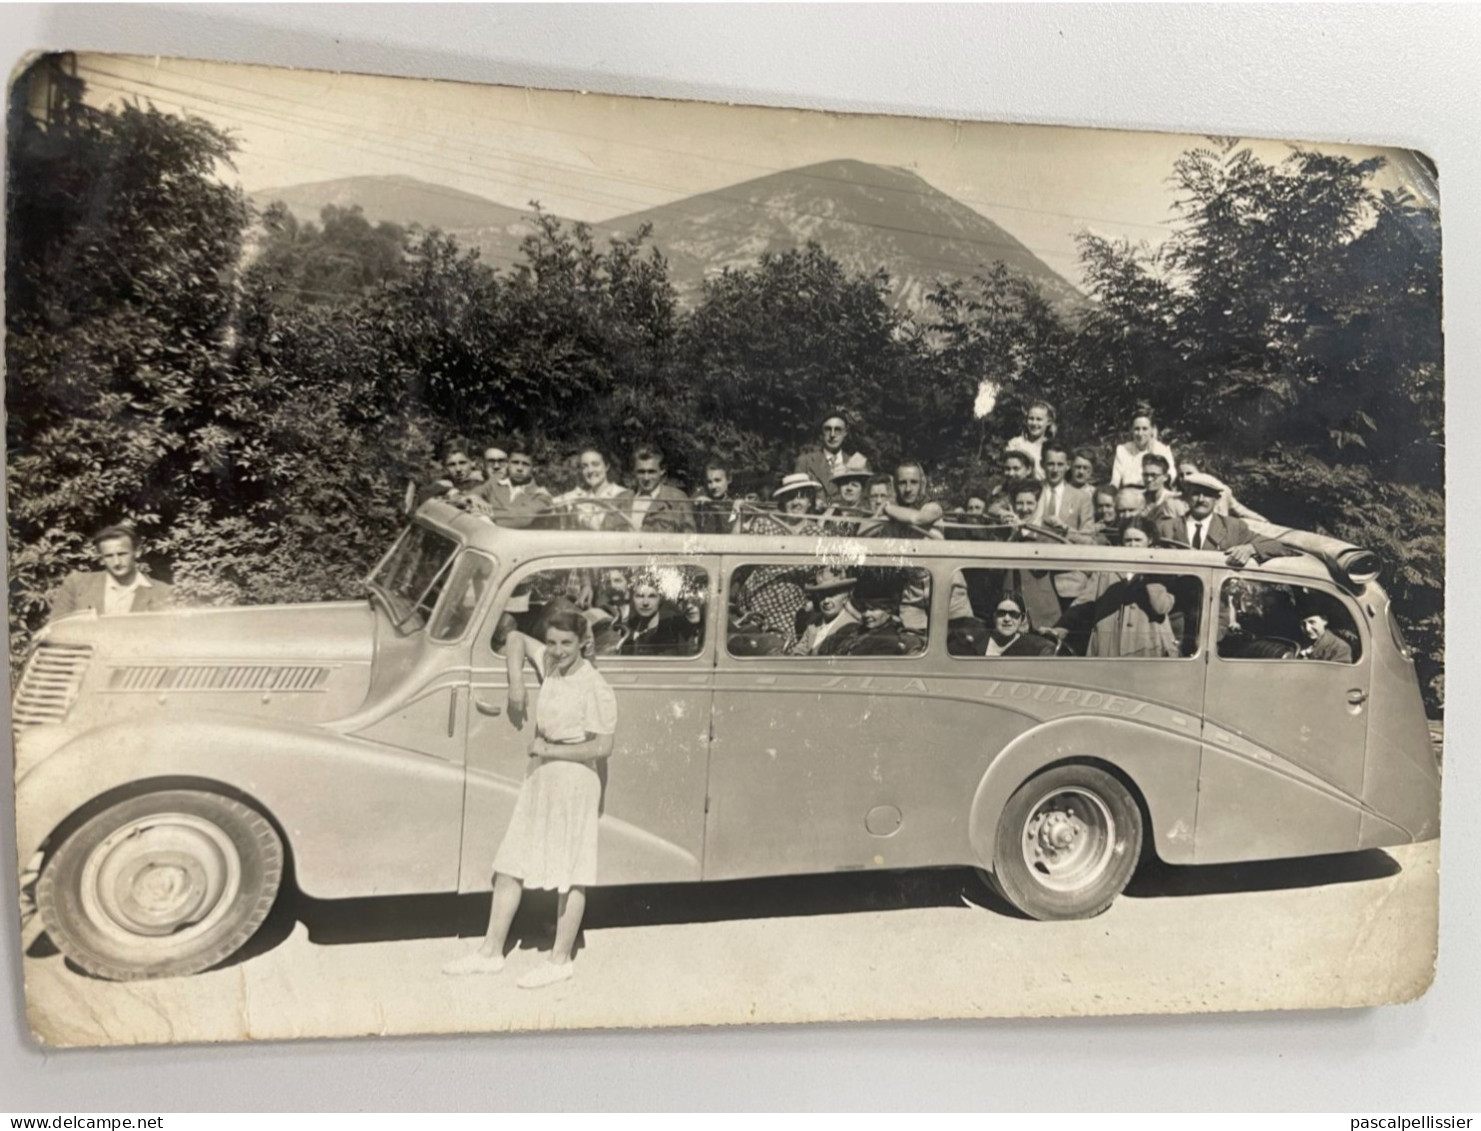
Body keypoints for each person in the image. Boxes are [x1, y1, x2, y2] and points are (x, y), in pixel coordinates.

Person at [443, 609, 616, 988]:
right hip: (542, 776)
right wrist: (516, 686)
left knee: (570, 875)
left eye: (566, 643)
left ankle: (559, 961)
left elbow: (602, 747)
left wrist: (549, 751)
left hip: (574, 779)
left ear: (583, 642)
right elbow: (516, 639)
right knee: (510, 863)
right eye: (552, 642)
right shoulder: (551, 666)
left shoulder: (595, 685)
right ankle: (490, 953)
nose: (556, 650)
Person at [1048, 528, 1179, 658]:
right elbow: (1084, 602)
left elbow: (1162, 607)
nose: (1133, 545)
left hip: (1148, 647)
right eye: (1128, 540)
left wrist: (1151, 573)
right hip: (1109, 648)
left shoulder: (1162, 568)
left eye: (1138, 540)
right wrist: (1060, 629)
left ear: (1149, 541)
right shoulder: (1106, 570)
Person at [1157, 473, 1293, 568]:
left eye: (1208, 495)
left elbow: (1277, 546)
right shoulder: (1166, 527)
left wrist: (1250, 548)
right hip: (1174, 604)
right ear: (1186, 498)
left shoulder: (1233, 527)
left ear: (1216, 500)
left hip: (1217, 604)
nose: (1201, 500)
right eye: (1195, 494)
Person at [50, 524, 173, 620]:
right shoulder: (77, 585)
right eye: (109, 556)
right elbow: (56, 629)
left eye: (122, 554)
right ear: (101, 558)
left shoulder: (163, 592)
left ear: (137, 552)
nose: (117, 562)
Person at [824, 583, 926, 656]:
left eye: (873, 609)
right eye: (863, 609)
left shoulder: (888, 641)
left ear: (889, 611)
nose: (867, 614)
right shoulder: (849, 629)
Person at [553, 448, 634, 531]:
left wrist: (580, 516)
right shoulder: (579, 495)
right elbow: (549, 503)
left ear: (606, 466)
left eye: (595, 464)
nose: (590, 470)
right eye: (585, 466)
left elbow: (613, 529)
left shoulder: (621, 494)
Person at [474, 447, 554, 527]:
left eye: (525, 464)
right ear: (507, 464)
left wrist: (485, 513)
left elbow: (521, 517)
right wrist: (474, 497)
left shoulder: (541, 495)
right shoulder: (494, 483)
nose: (519, 468)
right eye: (515, 462)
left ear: (533, 468)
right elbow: (466, 497)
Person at [620, 573, 695, 656]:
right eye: (640, 596)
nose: (645, 602)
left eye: (652, 596)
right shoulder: (629, 627)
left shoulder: (676, 628)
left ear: (660, 599)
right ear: (632, 598)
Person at [794, 412, 862, 503]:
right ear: (822, 433)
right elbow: (796, 496)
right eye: (828, 429)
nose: (832, 435)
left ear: (845, 433)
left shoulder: (856, 463)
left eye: (837, 429)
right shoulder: (805, 462)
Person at [793, 569, 861, 655]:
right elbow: (800, 649)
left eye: (832, 595)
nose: (826, 601)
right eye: (822, 595)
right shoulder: (814, 622)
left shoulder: (851, 626)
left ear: (845, 597)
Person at [629, 447, 696, 533]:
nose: (646, 478)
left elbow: (690, 538)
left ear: (662, 471)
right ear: (634, 472)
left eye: (651, 472)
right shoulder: (622, 499)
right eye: (641, 472)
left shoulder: (677, 499)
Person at [1176, 458, 1265, 521]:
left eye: (1189, 473)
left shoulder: (1223, 491)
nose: (1185, 478)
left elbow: (1240, 510)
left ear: (1201, 473)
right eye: (1181, 475)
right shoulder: (1175, 500)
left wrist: (1262, 520)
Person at [1109, 407, 1177, 489]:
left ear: (1152, 429)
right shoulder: (1122, 450)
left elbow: (1171, 475)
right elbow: (1115, 481)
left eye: (1145, 429)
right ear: (1131, 430)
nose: (1140, 434)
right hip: (1129, 495)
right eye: (1137, 429)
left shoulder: (1162, 449)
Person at [873, 462, 945, 538]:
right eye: (902, 483)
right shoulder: (893, 509)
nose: (908, 489)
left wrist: (887, 508)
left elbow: (916, 518)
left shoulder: (934, 508)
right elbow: (862, 532)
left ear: (921, 484)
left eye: (914, 482)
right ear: (895, 485)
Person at [1038, 442, 1093, 536]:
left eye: (1060, 465)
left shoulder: (1082, 498)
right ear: (1042, 464)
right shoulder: (1031, 490)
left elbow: (1088, 538)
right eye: (1050, 464)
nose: (1055, 470)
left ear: (1068, 465)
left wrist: (1065, 528)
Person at [981, 590, 1057, 657]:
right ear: (993, 615)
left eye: (1013, 614)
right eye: (1001, 613)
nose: (1007, 619)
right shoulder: (976, 642)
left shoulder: (1036, 648)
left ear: (1022, 618)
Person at [820, 455, 873, 534]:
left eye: (854, 485)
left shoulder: (866, 513)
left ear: (862, 490)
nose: (849, 488)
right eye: (844, 484)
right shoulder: (831, 510)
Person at [1005, 400, 1055, 479]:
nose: (1034, 423)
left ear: (1048, 422)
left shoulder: (1051, 447)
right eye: (1031, 419)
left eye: (1039, 419)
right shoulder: (1016, 444)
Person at [693, 460, 740, 534]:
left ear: (729, 479)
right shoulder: (700, 498)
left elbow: (731, 532)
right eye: (709, 482)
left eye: (717, 480)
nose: (713, 486)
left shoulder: (732, 505)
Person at [1140, 454, 1188, 522]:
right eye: (1145, 475)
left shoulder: (1174, 499)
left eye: (1154, 475)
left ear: (1165, 477)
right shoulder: (1138, 499)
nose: (1149, 479)